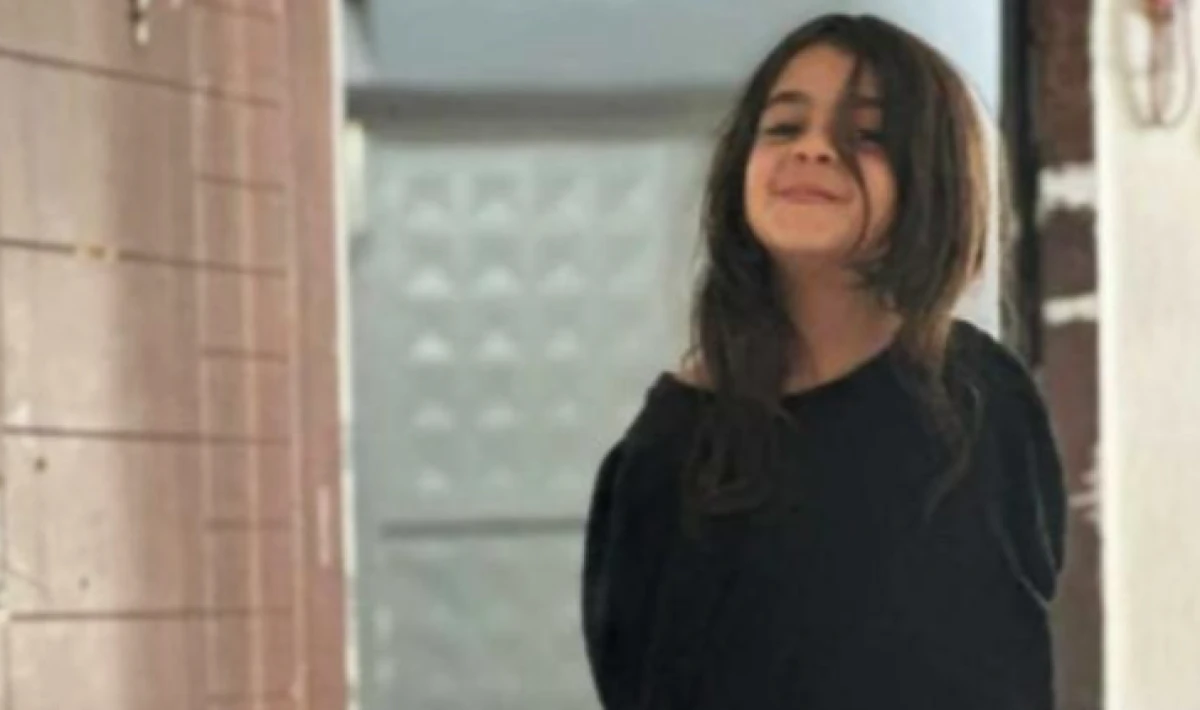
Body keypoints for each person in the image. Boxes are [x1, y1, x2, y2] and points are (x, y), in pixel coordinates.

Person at [580, 13, 1066, 710]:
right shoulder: (668, 451)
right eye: (784, 127)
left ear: (931, 178)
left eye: (866, 134)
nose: (813, 149)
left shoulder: (983, 396)